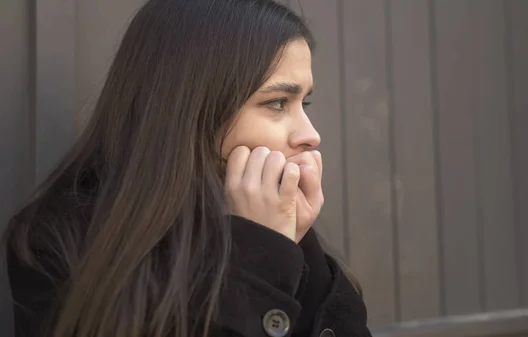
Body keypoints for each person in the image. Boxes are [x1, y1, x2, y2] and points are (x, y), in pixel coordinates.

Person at [2, 0, 372, 336]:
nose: (311, 135)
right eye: (277, 102)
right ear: (194, 107)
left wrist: (295, 249)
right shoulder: (59, 242)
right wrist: (260, 256)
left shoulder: (274, 218)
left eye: (303, 103)